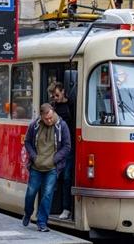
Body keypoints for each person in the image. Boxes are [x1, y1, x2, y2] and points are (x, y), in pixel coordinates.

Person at [22, 103, 71, 232]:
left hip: (52, 168)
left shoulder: (62, 126)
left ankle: (42, 223)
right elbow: (27, 142)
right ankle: (28, 213)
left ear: (53, 112)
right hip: (36, 167)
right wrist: (34, 157)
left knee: (47, 194)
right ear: (41, 116)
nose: (49, 120)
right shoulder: (35, 125)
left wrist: (54, 159)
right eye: (46, 119)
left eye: (51, 117)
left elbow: (67, 146)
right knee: (30, 193)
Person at [51, 83, 75, 220]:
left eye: (57, 95)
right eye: (53, 96)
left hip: (67, 147)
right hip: (55, 147)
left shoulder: (71, 105)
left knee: (66, 177)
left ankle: (66, 208)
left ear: (63, 91)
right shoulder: (52, 107)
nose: (55, 98)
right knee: (54, 177)